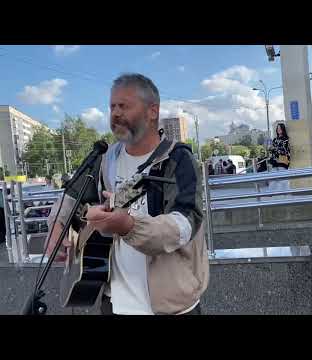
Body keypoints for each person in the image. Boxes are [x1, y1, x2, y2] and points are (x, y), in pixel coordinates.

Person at [46, 73, 209, 315]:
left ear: (152, 111)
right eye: (112, 106)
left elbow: (184, 226)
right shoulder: (104, 159)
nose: (116, 113)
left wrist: (129, 226)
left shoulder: (178, 159)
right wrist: (55, 229)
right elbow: (67, 201)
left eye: (124, 106)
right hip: (113, 304)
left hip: (171, 306)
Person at [268, 123, 291, 192]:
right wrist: (270, 149)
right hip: (275, 161)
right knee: (273, 178)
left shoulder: (286, 139)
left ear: (283, 129)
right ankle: (270, 194)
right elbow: (272, 150)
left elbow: (285, 150)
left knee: (283, 180)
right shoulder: (275, 139)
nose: (278, 130)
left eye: (280, 128)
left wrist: (275, 149)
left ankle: (285, 194)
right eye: (277, 128)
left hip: (282, 161)